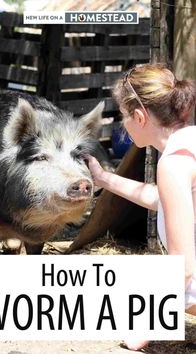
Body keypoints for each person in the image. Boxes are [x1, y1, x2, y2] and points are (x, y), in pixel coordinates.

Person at [86, 63, 196, 351]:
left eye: (123, 115)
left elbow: (183, 267)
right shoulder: (190, 142)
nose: (124, 123)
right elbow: (165, 201)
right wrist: (103, 179)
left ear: (139, 116)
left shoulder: (173, 164)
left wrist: (144, 332)